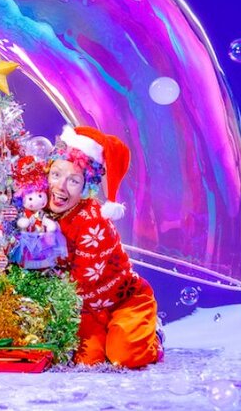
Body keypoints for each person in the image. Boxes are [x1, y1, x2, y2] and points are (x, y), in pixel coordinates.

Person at [46, 125, 163, 368]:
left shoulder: (93, 222)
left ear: (86, 186)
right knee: (87, 362)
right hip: (86, 310)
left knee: (125, 356)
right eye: (56, 174)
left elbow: (80, 281)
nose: (61, 186)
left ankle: (155, 337)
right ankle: (109, 336)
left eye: (73, 181)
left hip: (122, 300)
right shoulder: (37, 207)